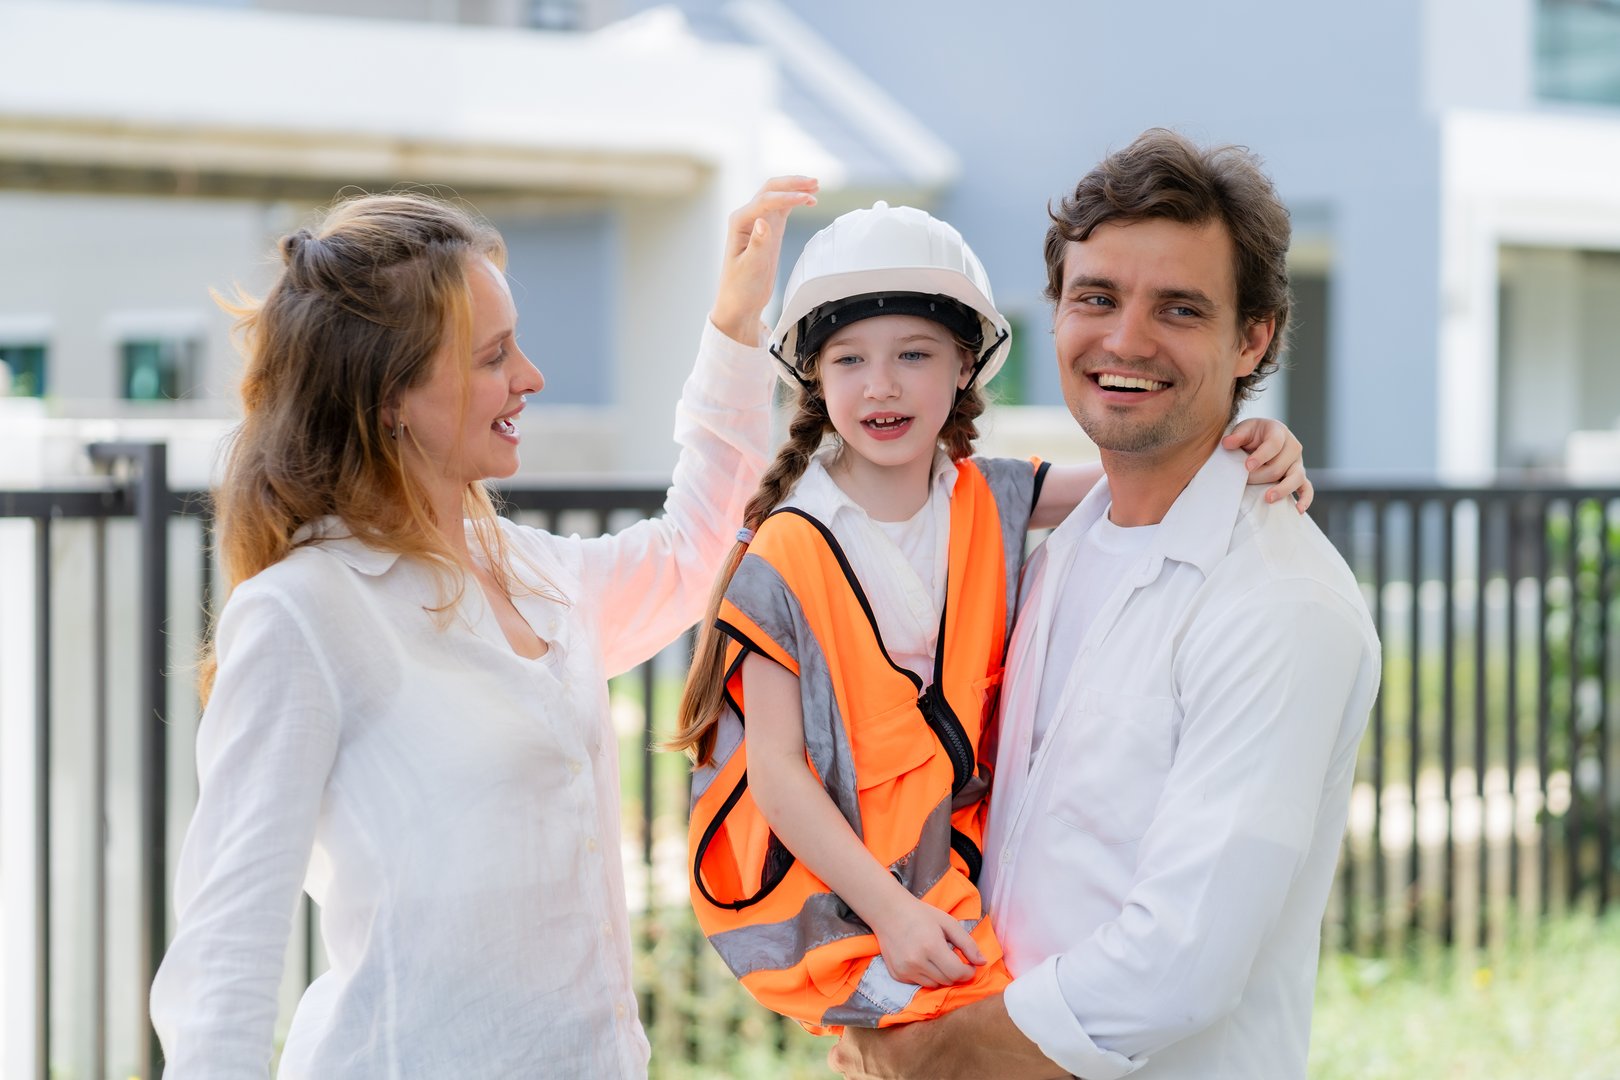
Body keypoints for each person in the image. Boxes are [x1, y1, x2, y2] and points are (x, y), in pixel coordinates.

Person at [147, 178, 818, 1078]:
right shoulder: (303, 615)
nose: (530, 378)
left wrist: (736, 327)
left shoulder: (531, 571)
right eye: (493, 355)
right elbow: (223, 954)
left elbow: (698, 554)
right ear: (390, 397)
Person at [671, 201, 1312, 1037]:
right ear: (816, 377)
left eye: (914, 354)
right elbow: (779, 775)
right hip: (833, 893)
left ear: (964, 366)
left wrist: (1257, 443)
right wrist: (892, 913)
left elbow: (1148, 462)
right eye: (850, 358)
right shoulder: (790, 549)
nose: (882, 385)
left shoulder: (991, 498)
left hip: (948, 870)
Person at [827, 130, 1382, 1080]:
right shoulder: (1059, 552)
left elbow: (1180, 965)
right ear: (1055, 313)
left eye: (1179, 308)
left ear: (1253, 336)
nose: (1125, 340)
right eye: (1096, 298)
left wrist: (937, 1056)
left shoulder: (1280, 604)